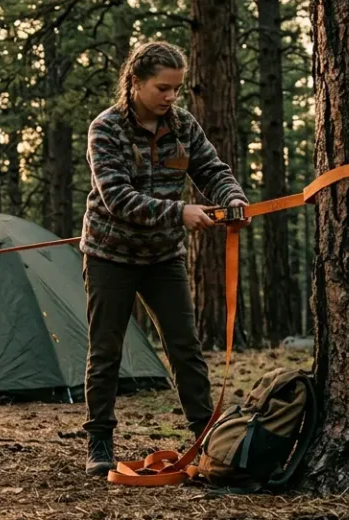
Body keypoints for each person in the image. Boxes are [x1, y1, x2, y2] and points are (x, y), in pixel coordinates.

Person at [79, 41, 249, 476]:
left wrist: (232, 199)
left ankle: (205, 436)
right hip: (109, 256)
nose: (171, 96)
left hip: (163, 258)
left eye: (177, 88)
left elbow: (210, 169)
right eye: (162, 88)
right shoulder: (106, 129)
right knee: (105, 351)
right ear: (134, 82)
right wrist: (181, 212)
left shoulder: (183, 125)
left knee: (185, 348)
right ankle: (99, 441)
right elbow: (117, 198)